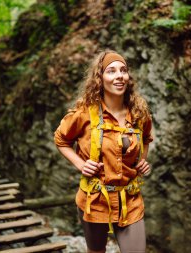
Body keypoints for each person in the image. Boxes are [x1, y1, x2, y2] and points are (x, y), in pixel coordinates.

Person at [54, 50, 153, 253]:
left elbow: (145, 138)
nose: (119, 76)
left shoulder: (139, 113)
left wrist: (141, 161)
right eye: (111, 71)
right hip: (95, 199)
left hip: (130, 200)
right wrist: (80, 164)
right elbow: (61, 139)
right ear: (100, 78)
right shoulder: (84, 113)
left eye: (123, 70)